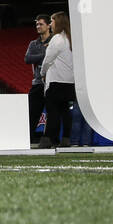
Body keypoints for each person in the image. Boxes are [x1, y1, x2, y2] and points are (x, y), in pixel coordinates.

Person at [39, 10, 76, 148]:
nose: (51, 24)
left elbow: (48, 59)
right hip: (69, 81)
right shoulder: (71, 39)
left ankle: (48, 139)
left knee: (53, 111)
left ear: (58, 22)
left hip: (56, 81)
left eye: (52, 21)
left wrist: (42, 72)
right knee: (65, 112)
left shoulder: (57, 39)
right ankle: (66, 139)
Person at [25, 14, 52, 139]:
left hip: (52, 82)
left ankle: (51, 138)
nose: (38, 26)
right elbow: (27, 59)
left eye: (41, 24)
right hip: (37, 83)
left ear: (48, 25)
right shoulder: (33, 43)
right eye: (37, 24)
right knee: (32, 113)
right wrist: (44, 54)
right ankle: (27, 138)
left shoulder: (54, 41)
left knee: (53, 113)